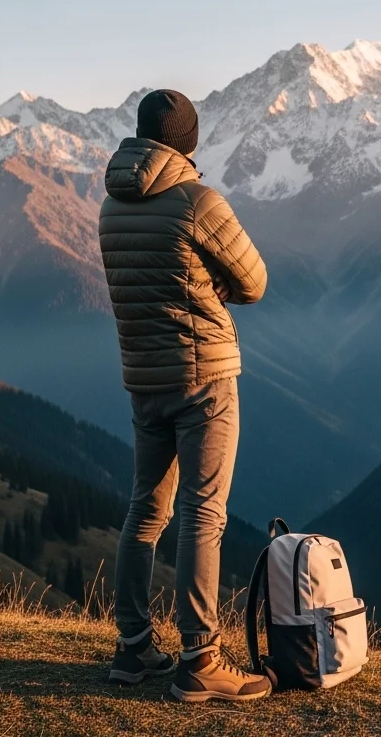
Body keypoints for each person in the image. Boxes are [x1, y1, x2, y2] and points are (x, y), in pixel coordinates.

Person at [99, 89, 271, 703]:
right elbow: (253, 281)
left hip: (144, 382)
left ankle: (133, 647)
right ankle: (201, 660)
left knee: (144, 509)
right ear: (188, 143)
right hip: (204, 382)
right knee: (204, 514)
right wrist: (214, 280)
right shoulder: (197, 201)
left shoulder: (109, 207)